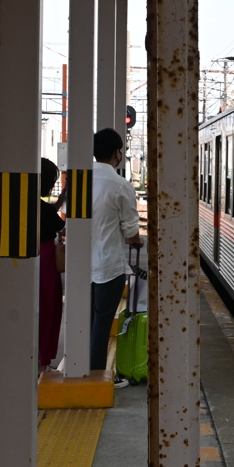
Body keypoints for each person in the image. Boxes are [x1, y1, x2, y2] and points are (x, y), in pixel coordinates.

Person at [91, 128, 142, 383]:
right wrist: (137, 240)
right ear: (117, 153)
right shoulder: (120, 185)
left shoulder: (80, 180)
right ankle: (97, 372)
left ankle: (83, 366)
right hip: (108, 265)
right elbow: (131, 229)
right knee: (101, 321)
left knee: (86, 318)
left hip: (81, 264)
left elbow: (67, 219)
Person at [38, 158, 66, 371]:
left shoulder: (21, 201)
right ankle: (43, 358)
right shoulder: (44, 210)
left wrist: (58, 203)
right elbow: (60, 226)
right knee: (48, 308)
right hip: (46, 260)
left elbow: (47, 214)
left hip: (24, 259)